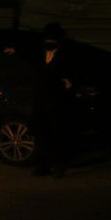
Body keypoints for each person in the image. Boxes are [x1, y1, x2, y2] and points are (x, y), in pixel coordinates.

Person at [31, 24, 75, 178]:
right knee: (42, 134)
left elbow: (68, 75)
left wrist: (67, 81)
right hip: (41, 100)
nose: (48, 41)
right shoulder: (40, 53)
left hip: (57, 102)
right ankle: (44, 165)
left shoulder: (65, 55)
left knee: (57, 134)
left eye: (52, 38)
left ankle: (59, 166)